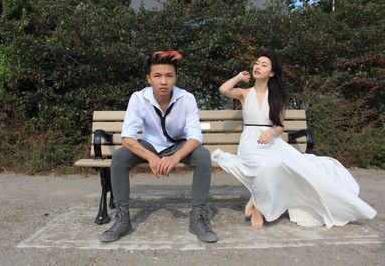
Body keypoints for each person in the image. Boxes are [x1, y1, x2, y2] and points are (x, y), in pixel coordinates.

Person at [211, 51, 377, 229]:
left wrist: (273, 132)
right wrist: (238, 77)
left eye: (264, 65)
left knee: (292, 166)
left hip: (271, 142)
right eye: (257, 63)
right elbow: (223, 90)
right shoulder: (244, 93)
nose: (258, 66)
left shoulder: (278, 97)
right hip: (251, 141)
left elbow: (280, 126)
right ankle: (259, 205)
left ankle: (257, 203)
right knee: (266, 166)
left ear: (272, 72)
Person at [99, 51, 218, 243]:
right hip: (150, 145)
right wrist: (151, 157)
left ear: (175, 78)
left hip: (178, 145)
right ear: (149, 78)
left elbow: (196, 137)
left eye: (169, 76)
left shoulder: (187, 98)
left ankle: (198, 218)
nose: (163, 81)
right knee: (120, 157)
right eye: (157, 76)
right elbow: (128, 138)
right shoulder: (138, 98)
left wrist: (176, 156)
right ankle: (122, 219)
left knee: (203, 156)